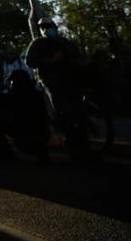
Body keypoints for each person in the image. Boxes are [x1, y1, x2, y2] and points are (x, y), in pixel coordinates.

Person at [25, 16, 90, 158]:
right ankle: (72, 146)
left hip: (70, 80)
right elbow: (30, 61)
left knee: (79, 112)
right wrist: (50, 61)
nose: (46, 29)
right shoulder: (37, 44)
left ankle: (84, 145)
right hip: (51, 82)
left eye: (48, 26)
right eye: (43, 27)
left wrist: (70, 60)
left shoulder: (64, 42)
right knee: (62, 112)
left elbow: (79, 58)